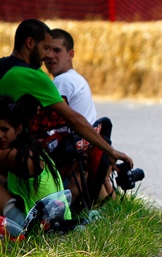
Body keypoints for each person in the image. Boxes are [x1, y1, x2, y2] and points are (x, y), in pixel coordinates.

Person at [0, 19, 132, 176]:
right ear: (29, 43)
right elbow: (74, 120)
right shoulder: (33, 76)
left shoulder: (2, 64)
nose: (47, 55)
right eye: (46, 48)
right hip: (8, 152)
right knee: (37, 165)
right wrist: (109, 150)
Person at [44, 28, 113, 205]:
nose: (49, 55)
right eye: (47, 49)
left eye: (57, 50)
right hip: (84, 151)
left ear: (70, 54)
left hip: (71, 153)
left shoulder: (63, 82)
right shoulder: (76, 78)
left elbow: (46, 124)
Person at [0, 94, 70, 226]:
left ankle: (20, 225)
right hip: (58, 222)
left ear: (19, 129)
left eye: (5, 130)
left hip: (43, 228)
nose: (0, 135)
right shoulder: (32, 149)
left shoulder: (15, 155)